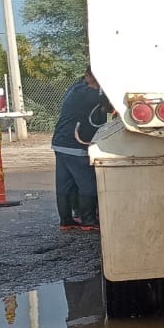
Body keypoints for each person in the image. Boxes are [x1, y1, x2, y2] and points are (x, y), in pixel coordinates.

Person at [52, 70, 111, 232]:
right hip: (75, 144)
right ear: (90, 77)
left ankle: (66, 220)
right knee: (88, 182)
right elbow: (111, 104)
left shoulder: (76, 88)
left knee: (65, 184)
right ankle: (88, 220)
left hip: (61, 142)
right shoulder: (89, 94)